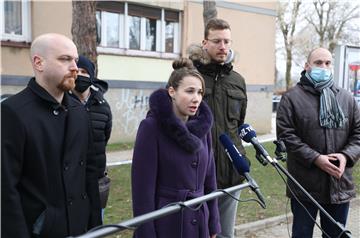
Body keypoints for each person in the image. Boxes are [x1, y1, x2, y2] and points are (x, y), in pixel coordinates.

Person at [1, 33, 102, 238]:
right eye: (65, 59)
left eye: (74, 59)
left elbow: (90, 174)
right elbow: (5, 189)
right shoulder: (12, 112)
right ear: (39, 62)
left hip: (80, 228)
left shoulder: (79, 111)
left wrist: (96, 228)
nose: (74, 67)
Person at [131, 58, 221, 238]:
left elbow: (210, 181)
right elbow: (142, 191)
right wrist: (146, 233)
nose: (196, 98)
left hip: (199, 222)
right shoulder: (152, 128)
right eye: (190, 91)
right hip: (167, 222)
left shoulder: (203, 129)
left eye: (200, 92)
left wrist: (213, 224)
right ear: (172, 91)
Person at [276, 47, 360, 238]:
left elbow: (358, 134)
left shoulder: (346, 98)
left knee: (336, 235)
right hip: (305, 185)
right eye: (318, 63)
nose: (323, 67)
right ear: (307, 66)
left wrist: (346, 156)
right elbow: (287, 136)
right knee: (302, 234)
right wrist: (316, 158)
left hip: (339, 184)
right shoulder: (291, 98)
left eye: (328, 63)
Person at [188, 18, 248, 238]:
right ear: (205, 42)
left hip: (231, 175)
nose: (223, 46)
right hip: (196, 175)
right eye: (217, 41)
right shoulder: (189, 78)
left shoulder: (238, 81)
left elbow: (239, 124)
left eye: (227, 41)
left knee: (224, 235)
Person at [70, 55, 113, 218]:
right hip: (71, 182)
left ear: (92, 76)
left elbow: (105, 138)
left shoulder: (103, 106)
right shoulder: (62, 103)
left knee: (96, 225)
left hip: (97, 180)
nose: (80, 75)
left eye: (84, 71)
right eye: (77, 71)